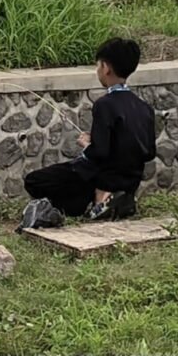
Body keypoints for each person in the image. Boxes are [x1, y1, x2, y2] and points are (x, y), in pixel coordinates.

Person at [23, 37, 155, 221]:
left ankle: (101, 199)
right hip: (130, 181)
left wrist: (87, 144)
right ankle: (111, 201)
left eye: (98, 66)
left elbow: (99, 153)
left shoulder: (105, 105)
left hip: (102, 177)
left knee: (34, 180)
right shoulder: (144, 107)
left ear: (106, 68)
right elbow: (149, 152)